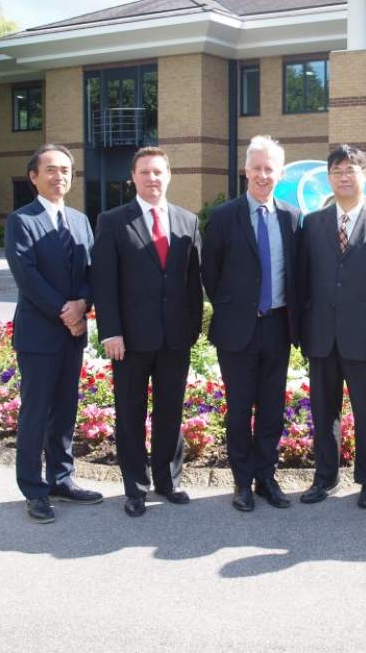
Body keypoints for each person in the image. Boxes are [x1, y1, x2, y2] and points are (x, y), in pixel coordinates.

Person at [91, 147, 204, 517]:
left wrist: (192, 329)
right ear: (133, 178)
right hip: (130, 340)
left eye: (158, 172)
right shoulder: (112, 221)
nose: (152, 178)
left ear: (169, 175)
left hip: (175, 339)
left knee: (171, 411)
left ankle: (169, 481)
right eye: (144, 172)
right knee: (131, 413)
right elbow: (104, 283)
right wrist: (111, 333)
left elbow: (192, 282)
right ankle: (135, 488)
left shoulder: (188, 221)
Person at [297, 145, 366, 509]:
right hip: (321, 334)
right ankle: (324, 477)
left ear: (365, 175)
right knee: (323, 410)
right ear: (329, 177)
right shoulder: (312, 223)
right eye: (337, 170)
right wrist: (299, 329)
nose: (344, 176)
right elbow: (303, 280)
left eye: (351, 170)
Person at [4, 143, 103, 524]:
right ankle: (33, 487)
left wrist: (84, 304)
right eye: (51, 169)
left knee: (65, 410)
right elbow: (27, 276)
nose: (59, 176)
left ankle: (62, 479)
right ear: (34, 177)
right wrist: (67, 312)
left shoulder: (79, 220)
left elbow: (91, 272)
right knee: (36, 412)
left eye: (66, 170)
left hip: (72, 333)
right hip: (40, 335)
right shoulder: (22, 221)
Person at [201, 136, 300, 512]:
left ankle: (267, 478)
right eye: (256, 168)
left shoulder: (291, 217)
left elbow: (296, 272)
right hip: (237, 329)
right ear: (245, 170)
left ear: (280, 173)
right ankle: (242, 482)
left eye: (269, 169)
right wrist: (234, 306)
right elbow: (210, 271)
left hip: (277, 326)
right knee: (240, 409)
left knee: (272, 408)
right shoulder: (225, 216)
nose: (262, 175)